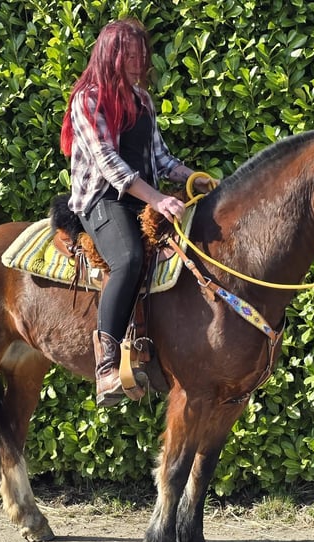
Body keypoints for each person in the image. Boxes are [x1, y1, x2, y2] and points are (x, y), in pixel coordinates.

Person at [60, 18, 214, 407]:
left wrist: (195, 178)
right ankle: (106, 366)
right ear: (110, 56)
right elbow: (109, 163)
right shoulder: (88, 99)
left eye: (141, 56)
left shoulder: (142, 99)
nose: (138, 63)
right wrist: (158, 199)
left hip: (140, 198)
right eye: (129, 56)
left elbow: (161, 159)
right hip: (102, 200)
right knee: (128, 258)